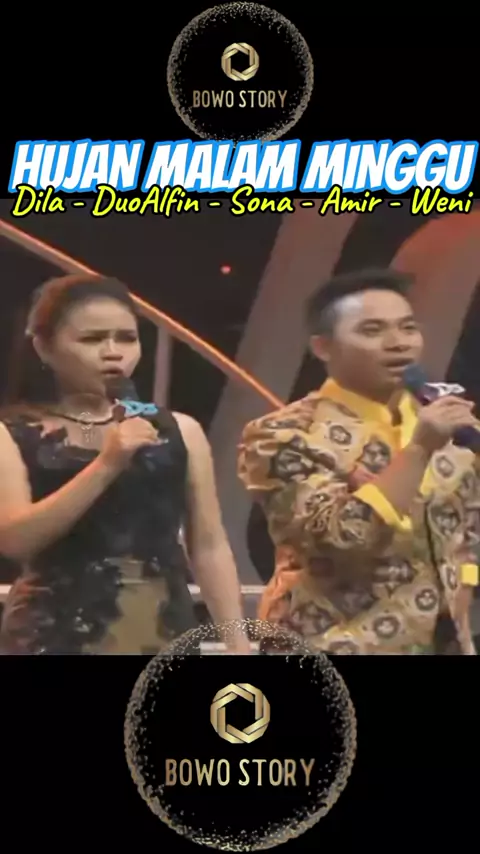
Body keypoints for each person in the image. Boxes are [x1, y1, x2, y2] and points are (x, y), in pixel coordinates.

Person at [0, 274, 249, 654]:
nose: (113, 352)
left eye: (127, 338)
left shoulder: (180, 430)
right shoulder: (10, 433)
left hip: (163, 632)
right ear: (44, 348)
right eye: (92, 339)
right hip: (54, 634)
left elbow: (209, 545)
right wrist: (107, 464)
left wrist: (237, 642)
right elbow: (16, 541)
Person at [238, 269, 480, 654]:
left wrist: (465, 578)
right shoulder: (282, 434)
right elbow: (337, 541)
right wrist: (418, 450)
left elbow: (468, 521)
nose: (398, 343)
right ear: (323, 347)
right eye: (372, 330)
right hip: (328, 645)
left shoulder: (445, 418)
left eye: (408, 328)